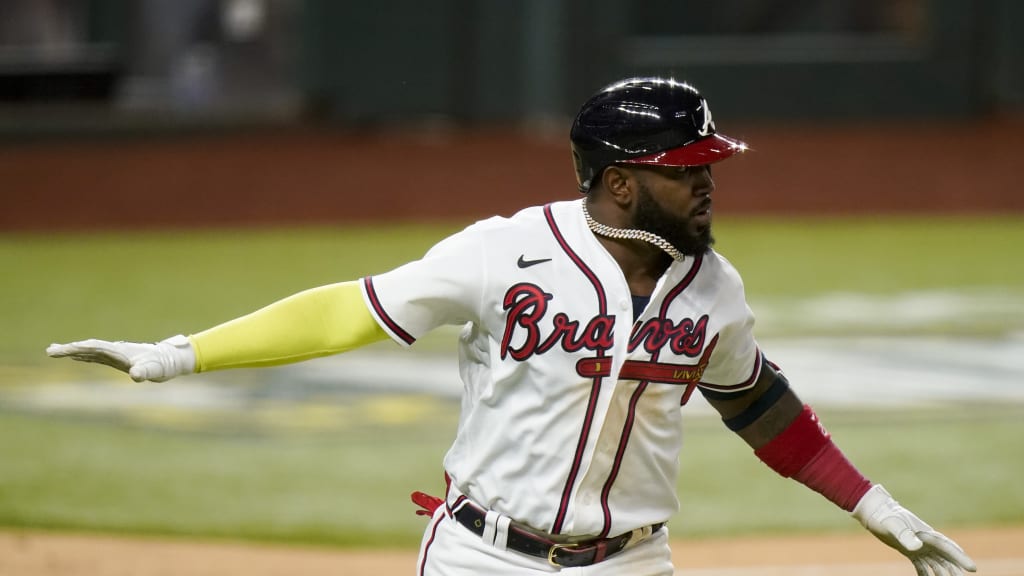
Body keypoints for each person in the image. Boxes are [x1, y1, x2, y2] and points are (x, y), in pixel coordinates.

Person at [47, 77, 976, 576]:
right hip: (482, 560)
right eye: (685, 166)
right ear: (619, 181)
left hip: (631, 564)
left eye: (709, 163)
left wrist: (876, 509)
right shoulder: (504, 252)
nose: (707, 181)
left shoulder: (714, 289)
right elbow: (349, 309)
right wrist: (180, 356)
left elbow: (760, 405)